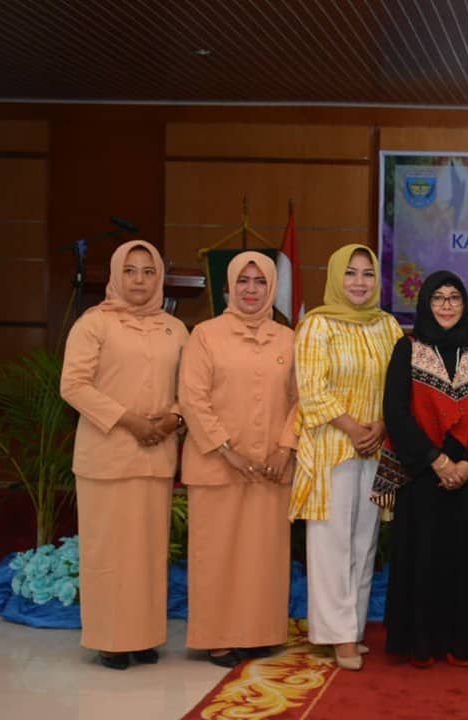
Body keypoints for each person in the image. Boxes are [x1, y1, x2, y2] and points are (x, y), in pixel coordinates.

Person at [60, 240, 189, 670]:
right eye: (130, 271)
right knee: (108, 553)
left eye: (148, 272)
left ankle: (143, 637)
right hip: (107, 456)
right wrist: (129, 421)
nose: (139, 280)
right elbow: (73, 385)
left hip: (156, 455)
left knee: (148, 554)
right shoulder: (93, 324)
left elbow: (190, 387)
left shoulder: (175, 329)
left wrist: (173, 418)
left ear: (159, 278)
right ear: (116, 275)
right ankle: (111, 640)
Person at [179, 251, 298, 668]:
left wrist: (285, 448)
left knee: (264, 556)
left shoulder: (288, 338)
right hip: (217, 465)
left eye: (260, 281)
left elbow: (301, 399)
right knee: (217, 555)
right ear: (229, 287)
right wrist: (227, 450)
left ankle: (260, 633)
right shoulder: (205, 335)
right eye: (243, 281)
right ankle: (217, 638)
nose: (251, 290)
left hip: (270, 468)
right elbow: (192, 398)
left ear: (272, 288)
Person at [289, 244, 403, 671]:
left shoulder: (387, 325)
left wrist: (383, 425)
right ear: (337, 277)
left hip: (377, 449)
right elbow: (311, 389)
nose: (359, 282)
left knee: (364, 542)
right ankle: (337, 636)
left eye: (367, 274)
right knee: (331, 543)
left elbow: (400, 386)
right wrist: (354, 429)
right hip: (331, 448)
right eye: (350, 273)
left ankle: (350, 629)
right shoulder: (316, 325)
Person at [380, 271, 468, 667]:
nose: (446, 305)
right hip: (422, 475)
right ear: (425, 304)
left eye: (454, 298)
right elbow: (396, 413)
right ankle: (420, 642)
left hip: (466, 479)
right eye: (438, 297)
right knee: (422, 557)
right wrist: (436, 460)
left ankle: (461, 642)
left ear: (465, 305)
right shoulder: (407, 350)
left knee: (462, 561)